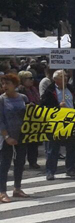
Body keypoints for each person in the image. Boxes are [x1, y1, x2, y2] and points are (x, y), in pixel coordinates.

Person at [41, 70, 75, 180]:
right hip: (55, 123)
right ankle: (50, 172)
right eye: (62, 77)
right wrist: (58, 107)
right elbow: (44, 108)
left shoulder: (71, 89)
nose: (65, 79)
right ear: (56, 80)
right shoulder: (49, 92)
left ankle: (70, 169)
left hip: (71, 122)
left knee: (71, 147)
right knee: (53, 149)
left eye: (66, 77)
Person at [0, 74, 30, 202]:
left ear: (15, 85)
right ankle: (2, 192)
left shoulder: (23, 98)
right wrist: (6, 136)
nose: (4, 86)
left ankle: (17, 188)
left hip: (22, 135)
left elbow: (31, 115)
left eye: (7, 83)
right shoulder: (1, 100)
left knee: (20, 163)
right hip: (7, 136)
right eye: (3, 84)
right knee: (4, 164)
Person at [16, 70, 40, 168]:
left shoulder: (34, 89)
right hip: (23, 120)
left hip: (34, 119)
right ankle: (20, 162)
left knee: (33, 142)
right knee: (22, 144)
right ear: (22, 80)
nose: (32, 80)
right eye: (29, 78)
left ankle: (33, 161)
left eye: (32, 78)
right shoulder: (19, 90)